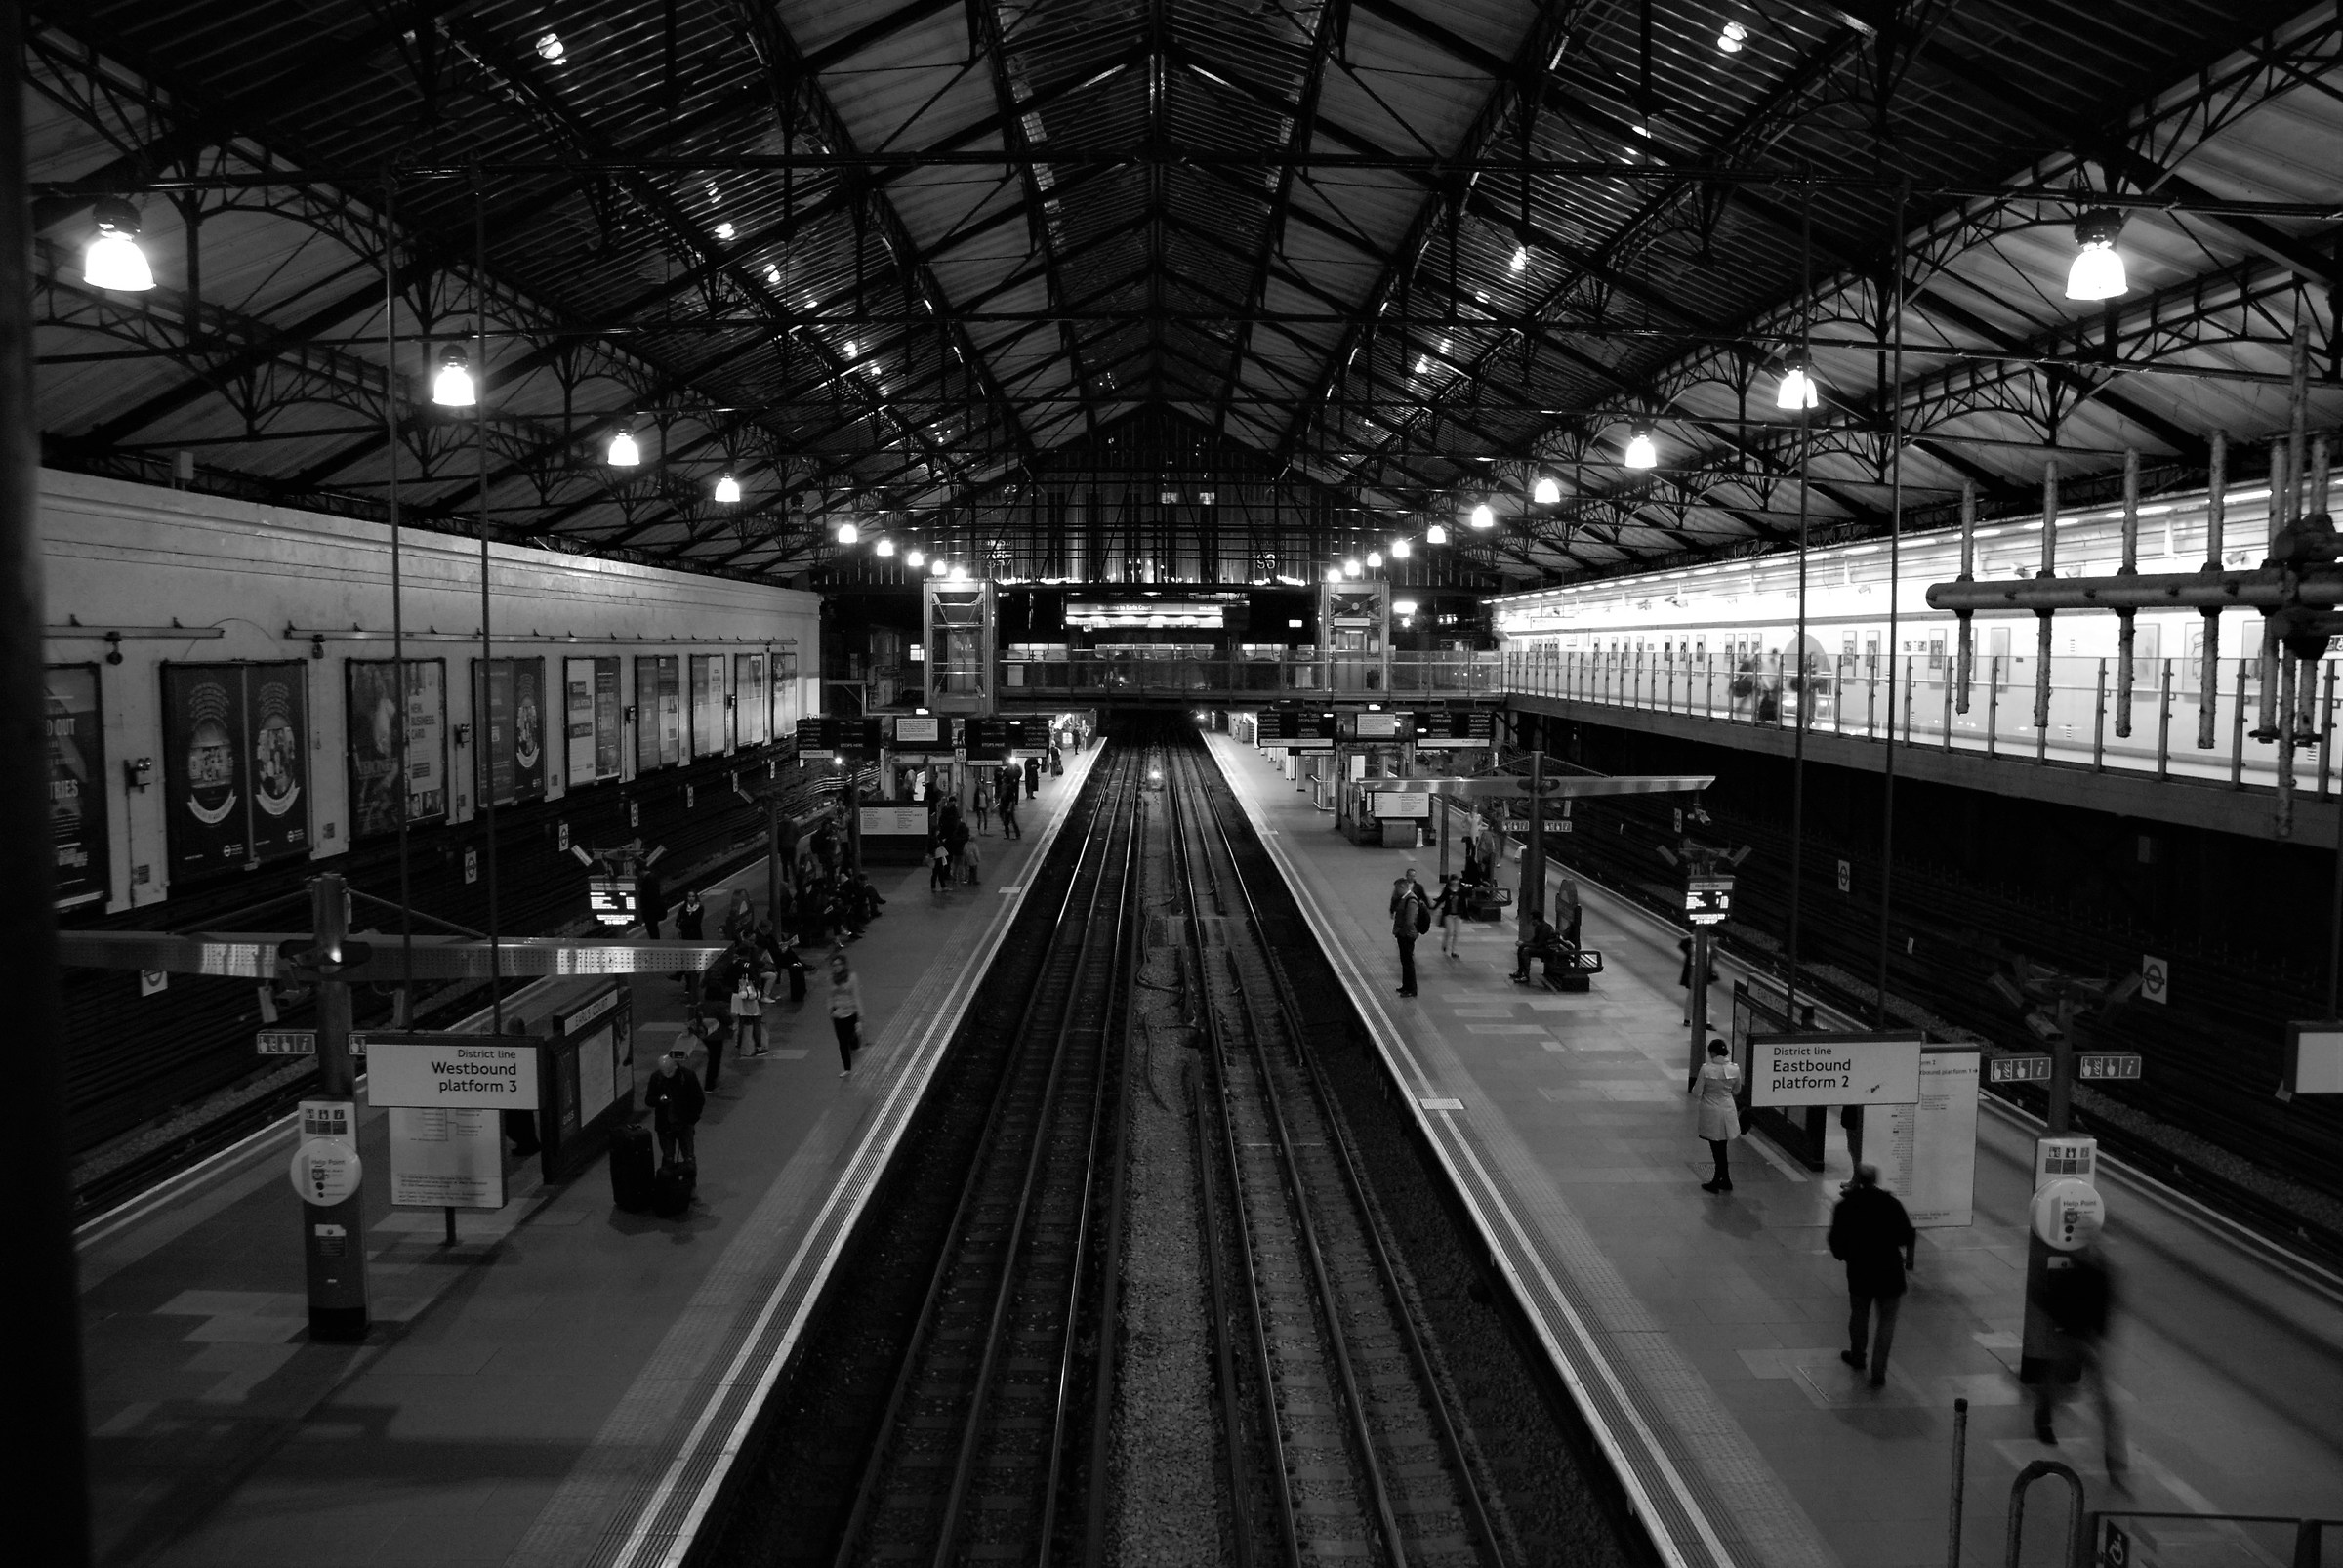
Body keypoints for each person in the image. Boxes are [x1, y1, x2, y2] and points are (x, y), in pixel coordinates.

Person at [2035, 1241, 2122, 1477]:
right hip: (2075, 1338)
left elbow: (2104, 1305)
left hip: (2084, 1339)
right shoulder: (2087, 1271)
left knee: (2102, 1401)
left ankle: (2113, 1460)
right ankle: (2043, 1415)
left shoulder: (2097, 1270)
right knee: (2059, 1382)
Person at [1828, 1164, 1916, 1387]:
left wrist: (1847, 1255)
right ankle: (1879, 1373)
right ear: (1876, 1180)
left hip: (1860, 1271)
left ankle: (1858, 1356)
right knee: (1886, 1322)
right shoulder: (1891, 1204)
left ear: (1857, 1180)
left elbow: (1836, 1242)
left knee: (1859, 1314)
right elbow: (1906, 1235)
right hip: (1890, 1273)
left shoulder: (1845, 1206)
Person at [1694, 1040, 1743, 1192]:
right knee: (1722, 1146)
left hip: (1711, 1111)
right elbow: (1736, 1091)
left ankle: (1717, 1180)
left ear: (1713, 1053)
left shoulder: (1706, 1070)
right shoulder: (1734, 1069)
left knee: (1716, 1147)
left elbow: (1697, 1091)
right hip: (1728, 1110)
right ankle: (1725, 1179)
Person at [641, 1051, 705, 1168]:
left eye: (670, 1071)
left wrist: (693, 1118)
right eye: (664, 1071)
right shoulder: (656, 1078)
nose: (667, 1074)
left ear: (676, 1066)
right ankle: (671, 1181)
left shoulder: (688, 1076)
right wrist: (659, 1100)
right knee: (668, 1157)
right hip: (665, 1124)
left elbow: (698, 1099)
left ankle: (688, 1179)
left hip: (684, 1123)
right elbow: (649, 1100)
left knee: (688, 1156)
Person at [501, 1016, 541, 1156]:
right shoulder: (528, 1043)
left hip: (516, 1092)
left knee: (512, 1123)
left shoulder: (513, 1046)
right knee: (523, 1122)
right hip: (523, 1092)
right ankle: (528, 1144)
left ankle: (527, 1145)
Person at [1389, 872, 1428, 998]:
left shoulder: (1411, 900)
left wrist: (1402, 932)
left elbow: (1410, 921)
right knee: (1404, 962)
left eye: (1396, 889)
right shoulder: (1404, 899)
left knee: (1408, 963)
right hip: (1403, 935)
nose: (1395, 891)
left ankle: (1412, 989)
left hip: (1407, 936)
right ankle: (1405, 986)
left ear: (1402, 887)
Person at [828, 951, 866, 1078]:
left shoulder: (852, 977)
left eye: (838, 964)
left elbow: (856, 996)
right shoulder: (831, 979)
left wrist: (860, 1017)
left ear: (844, 965)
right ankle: (847, 1068)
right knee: (842, 1042)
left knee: (853, 1040)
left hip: (851, 1013)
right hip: (838, 1015)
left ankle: (857, 1054)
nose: (836, 967)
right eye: (834, 965)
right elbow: (829, 997)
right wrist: (831, 1012)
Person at [729, 945, 768, 1056]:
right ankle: (758, 1047)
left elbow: (727, 978)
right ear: (747, 954)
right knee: (756, 1019)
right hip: (748, 995)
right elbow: (755, 980)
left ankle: (740, 1045)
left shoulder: (733, 964)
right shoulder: (748, 965)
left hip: (736, 994)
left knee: (741, 1020)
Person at [674, 889, 707, 1002]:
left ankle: (682, 976)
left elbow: (695, 922)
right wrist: (685, 923)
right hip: (686, 938)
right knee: (687, 961)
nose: (691, 898)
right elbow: (678, 921)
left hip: (696, 938)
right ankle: (687, 983)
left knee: (695, 962)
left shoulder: (700, 908)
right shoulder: (683, 908)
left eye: (693, 896)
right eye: (689, 896)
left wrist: (684, 923)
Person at [1511, 910, 1558, 983]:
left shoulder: (1545, 928)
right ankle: (1520, 971)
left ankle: (1526, 976)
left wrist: (1524, 944)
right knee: (1521, 948)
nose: (1531, 921)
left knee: (1526, 951)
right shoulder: (1539, 927)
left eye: (1532, 919)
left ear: (1536, 919)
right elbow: (1534, 941)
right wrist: (1523, 943)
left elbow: (1538, 944)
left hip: (1548, 949)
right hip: (1543, 947)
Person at [688, 1009, 729, 1092]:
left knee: (712, 1057)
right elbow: (726, 1019)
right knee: (715, 1059)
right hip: (716, 1036)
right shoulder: (718, 1006)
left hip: (704, 1035)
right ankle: (710, 1085)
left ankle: (710, 1084)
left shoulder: (702, 1005)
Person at [1432, 873, 1462, 959]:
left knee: (1457, 932)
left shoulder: (1461, 891)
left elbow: (1463, 902)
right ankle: (1445, 944)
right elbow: (1441, 899)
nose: (1455, 882)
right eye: (1453, 880)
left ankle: (1454, 951)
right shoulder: (1447, 890)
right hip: (1448, 914)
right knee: (1450, 931)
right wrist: (1433, 908)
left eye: (1456, 880)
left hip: (1458, 915)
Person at [637, 867, 667, 940]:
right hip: (652, 910)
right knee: (653, 930)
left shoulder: (649, 879)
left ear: (641, 871)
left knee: (653, 930)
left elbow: (649, 896)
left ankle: (655, 944)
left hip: (651, 911)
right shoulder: (652, 878)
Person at [1000, 771, 1022, 839]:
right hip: (1005, 807)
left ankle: (1016, 835)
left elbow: (1011, 800)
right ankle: (1008, 835)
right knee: (1008, 822)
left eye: (1003, 782)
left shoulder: (1009, 789)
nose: (1002, 783)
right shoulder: (1004, 789)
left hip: (1009, 808)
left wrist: (1009, 808)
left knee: (1011, 821)